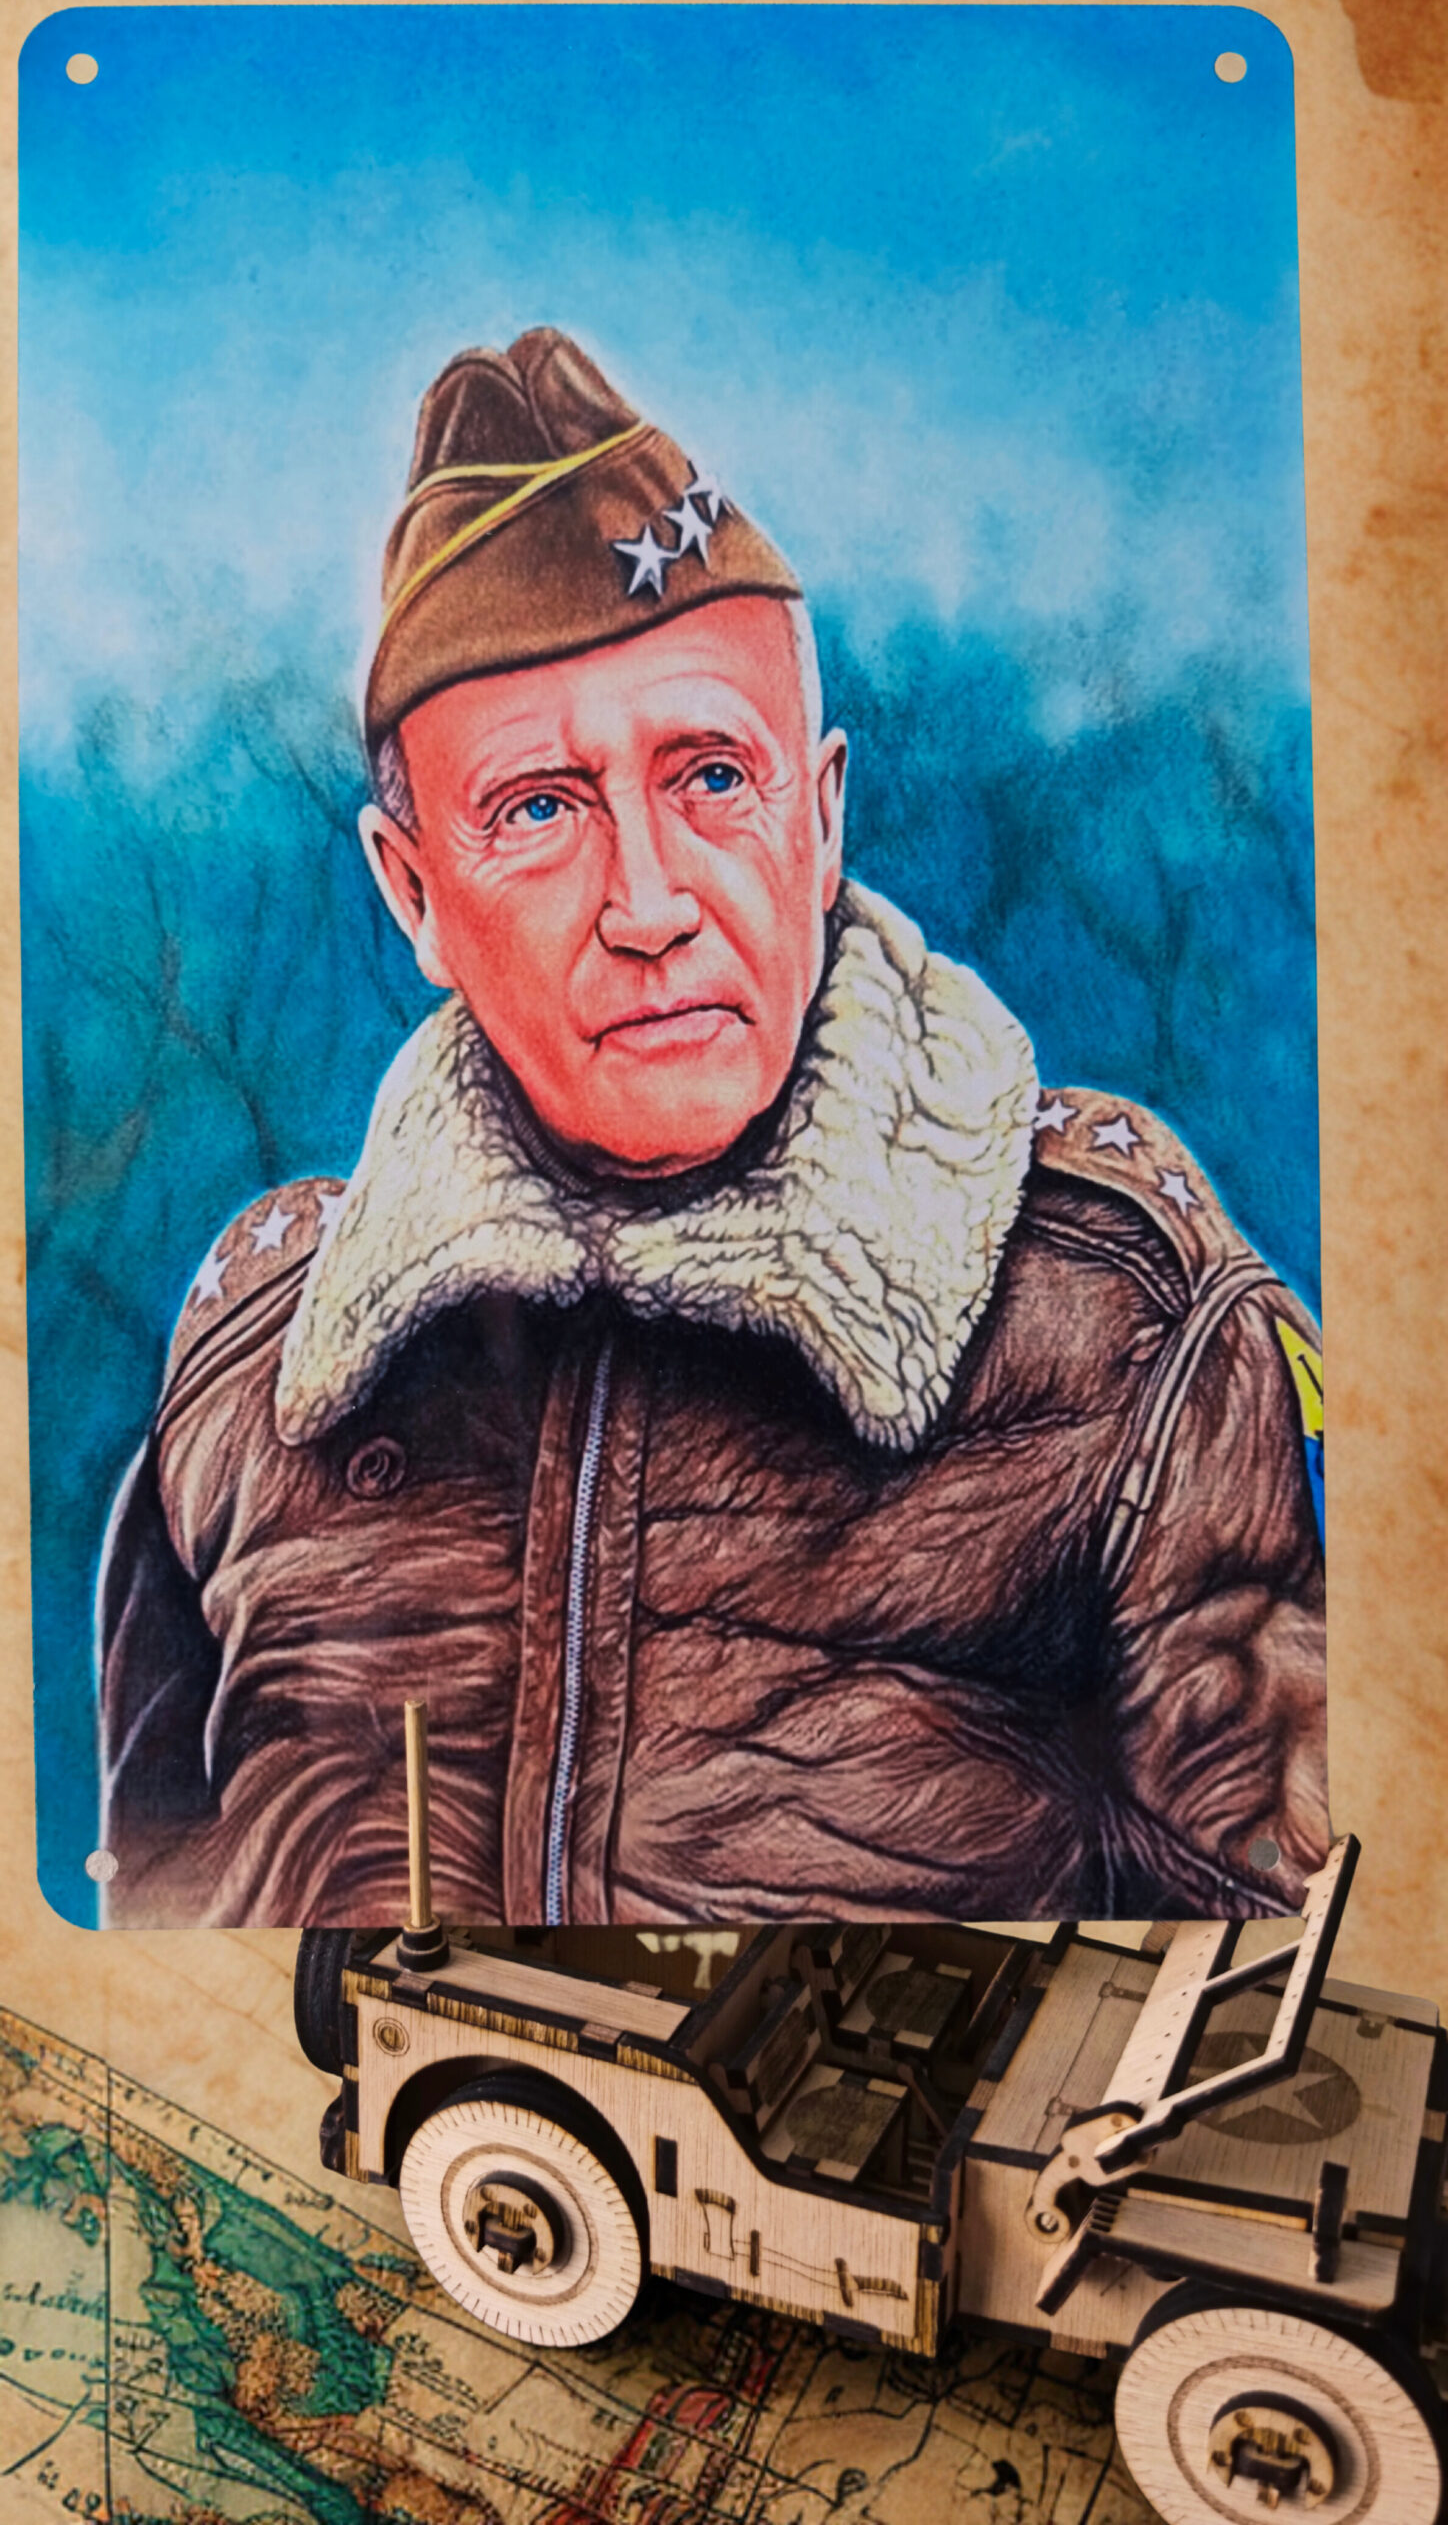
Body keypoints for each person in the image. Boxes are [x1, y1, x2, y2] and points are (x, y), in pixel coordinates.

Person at [98, 329, 1329, 1929]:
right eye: (540, 809)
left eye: (712, 779)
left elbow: (1301, 1981)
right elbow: (142, 1945)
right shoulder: (254, 1364)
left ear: (821, 818)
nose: (652, 904)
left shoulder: (1122, 1318)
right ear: (413, 894)